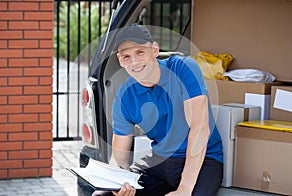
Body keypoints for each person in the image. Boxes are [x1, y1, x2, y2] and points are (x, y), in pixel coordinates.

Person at [94, 24, 223, 196]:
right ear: (120, 60)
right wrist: (118, 183)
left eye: (140, 52)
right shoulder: (125, 97)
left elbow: (200, 128)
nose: (135, 62)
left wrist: (184, 189)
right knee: (103, 195)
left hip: (204, 160)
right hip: (160, 161)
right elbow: (119, 158)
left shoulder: (183, 68)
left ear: (154, 50)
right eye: (126, 56)